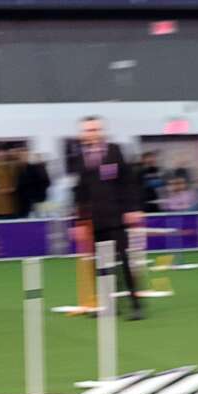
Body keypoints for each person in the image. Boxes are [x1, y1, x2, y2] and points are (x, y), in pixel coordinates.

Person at [68, 115, 145, 320]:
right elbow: (79, 192)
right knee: (100, 265)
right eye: (87, 130)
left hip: (117, 218)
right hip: (94, 220)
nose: (91, 133)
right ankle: (108, 305)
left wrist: (132, 209)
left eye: (94, 129)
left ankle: (136, 305)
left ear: (101, 131)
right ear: (82, 134)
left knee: (125, 261)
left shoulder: (115, 151)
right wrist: (78, 222)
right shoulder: (78, 159)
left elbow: (128, 182)